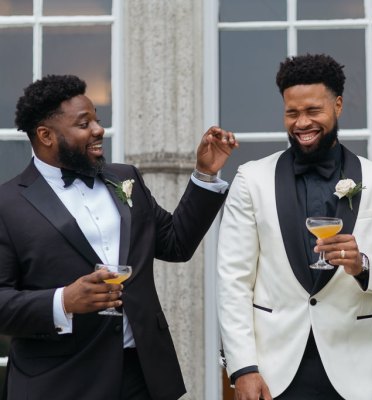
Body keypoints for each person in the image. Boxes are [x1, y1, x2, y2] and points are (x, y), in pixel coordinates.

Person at [0, 74, 237, 400]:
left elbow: (175, 244)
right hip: (60, 382)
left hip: (143, 375)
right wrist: (63, 302)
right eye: (84, 124)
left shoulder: (125, 179)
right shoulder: (7, 204)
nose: (99, 130)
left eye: (97, 120)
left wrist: (205, 175)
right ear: (46, 135)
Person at [217, 53, 372, 400]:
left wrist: (364, 265)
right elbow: (233, 281)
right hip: (273, 373)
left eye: (313, 111)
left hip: (358, 376)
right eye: (292, 113)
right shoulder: (250, 180)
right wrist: (243, 368)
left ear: (338, 105)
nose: (301, 123)